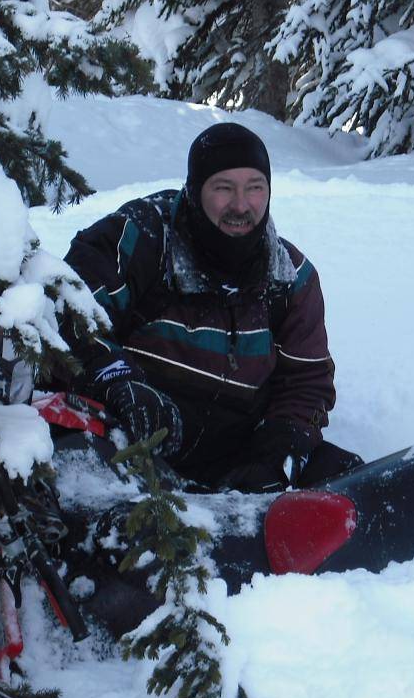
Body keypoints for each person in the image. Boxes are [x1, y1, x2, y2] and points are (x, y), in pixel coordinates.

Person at [61, 122, 361, 492]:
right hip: (131, 441)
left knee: (348, 482)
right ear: (195, 189)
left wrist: (279, 451)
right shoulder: (141, 236)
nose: (241, 204)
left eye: (255, 188)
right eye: (224, 188)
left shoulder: (290, 277)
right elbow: (68, 315)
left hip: (233, 454)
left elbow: (306, 382)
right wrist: (119, 382)